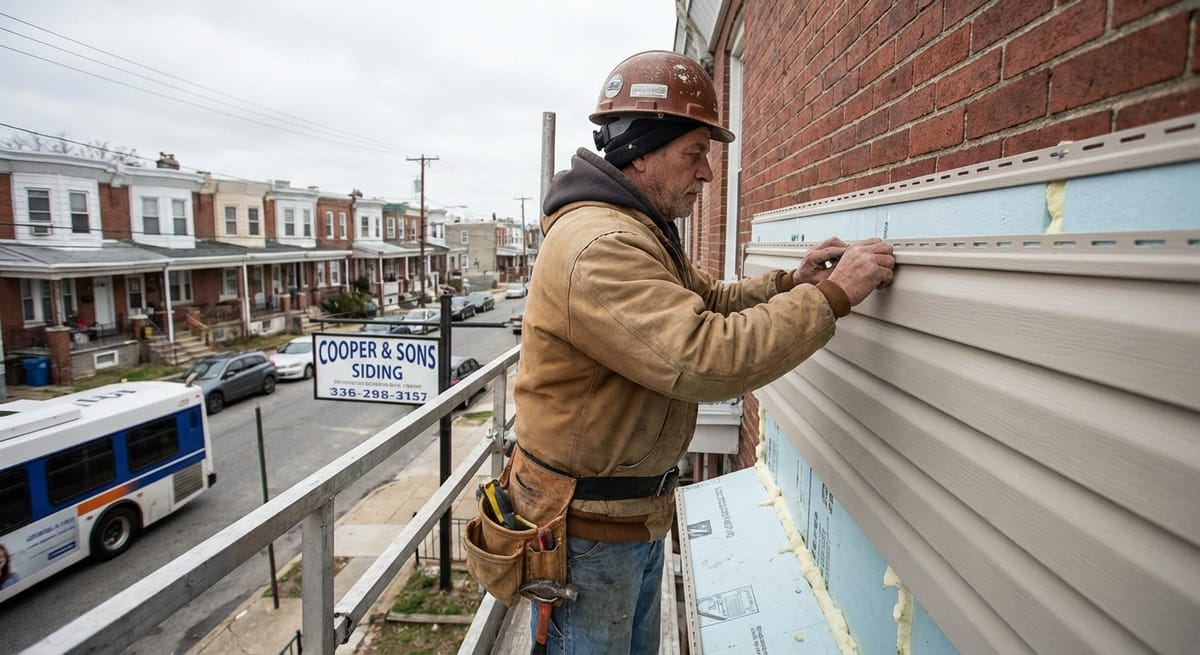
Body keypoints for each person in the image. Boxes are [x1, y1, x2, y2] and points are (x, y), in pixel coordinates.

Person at [510, 50, 895, 653]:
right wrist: (833, 299)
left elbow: (703, 298)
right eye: (695, 154)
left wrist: (792, 286)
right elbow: (701, 357)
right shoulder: (601, 245)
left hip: (626, 519)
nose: (709, 175)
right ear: (641, 148)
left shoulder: (633, 226)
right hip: (587, 537)